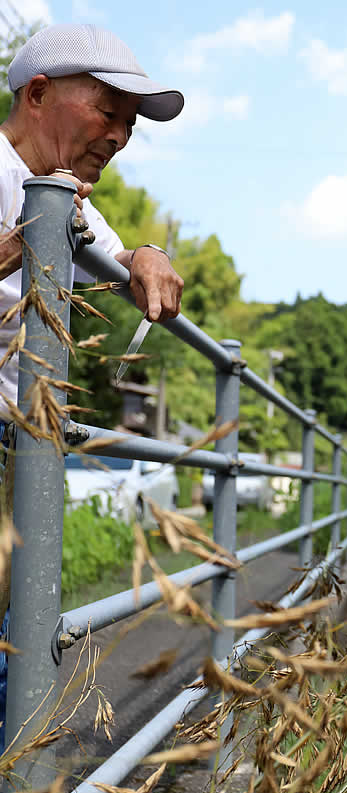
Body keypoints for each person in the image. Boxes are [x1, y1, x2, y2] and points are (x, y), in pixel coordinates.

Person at [0, 23, 186, 747]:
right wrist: (15, 250)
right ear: (38, 93)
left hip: (25, 444)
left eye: (130, 125)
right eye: (107, 113)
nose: (119, 136)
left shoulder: (59, 191)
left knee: (21, 648)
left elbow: (112, 248)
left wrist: (149, 251)